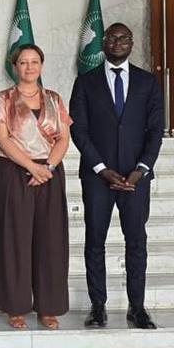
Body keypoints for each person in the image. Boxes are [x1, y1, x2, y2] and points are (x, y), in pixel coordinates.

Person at [69, 22, 164, 330]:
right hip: (98, 177)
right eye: (112, 37)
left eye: (124, 37)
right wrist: (101, 168)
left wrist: (140, 170)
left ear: (132, 42)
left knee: (136, 242)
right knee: (94, 241)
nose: (118, 42)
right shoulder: (85, 82)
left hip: (136, 179)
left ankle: (137, 307)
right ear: (104, 43)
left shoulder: (149, 82)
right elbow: (78, 130)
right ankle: (98, 307)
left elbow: (154, 132)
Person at [0, 44, 71, 330]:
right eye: (23, 62)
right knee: (16, 239)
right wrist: (31, 167)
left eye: (34, 61)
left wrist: (46, 167)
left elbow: (63, 139)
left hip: (49, 172)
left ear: (41, 65)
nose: (29, 67)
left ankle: (48, 307)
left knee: (50, 240)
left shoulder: (54, 98)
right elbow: (3, 139)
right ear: (15, 67)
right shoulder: (4, 98)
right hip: (14, 172)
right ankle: (16, 306)